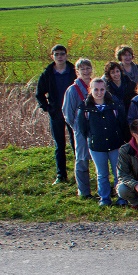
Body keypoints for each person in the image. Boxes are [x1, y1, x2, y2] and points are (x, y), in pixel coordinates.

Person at [77, 78, 129, 206]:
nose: (99, 92)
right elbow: (83, 128)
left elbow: (122, 124)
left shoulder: (114, 105)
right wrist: (93, 137)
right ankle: (104, 198)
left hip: (115, 144)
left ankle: (121, 197)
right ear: (90, 90)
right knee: (102, 174)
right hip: (97, 146)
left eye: (102, 89)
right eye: (96, 89)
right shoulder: (85, 108)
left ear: (106, 90)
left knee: (118, 173)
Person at [36, 44, 75, 185]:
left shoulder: (73, 71)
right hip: (56, 113)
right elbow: (39, 94)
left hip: (72, 112)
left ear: (66, 55)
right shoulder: (47, 74)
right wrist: (47, 108)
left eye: (62, 54)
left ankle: (80, 174)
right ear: (52, 56)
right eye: (57, 54)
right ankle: (61, 175)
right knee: (60, 145)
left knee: (76, 143)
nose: (60, 57)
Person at [63, 58, 96, 197]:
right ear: (77, 72)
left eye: (88, 68)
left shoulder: (97, 86)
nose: (86, 71)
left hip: (96, 128)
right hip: (81, 129)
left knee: (99, 158)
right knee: (82, 160)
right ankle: (84, 191)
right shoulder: (72, 90)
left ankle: (103, 189)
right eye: (82, 69)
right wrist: (77, 126)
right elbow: (68, 113)